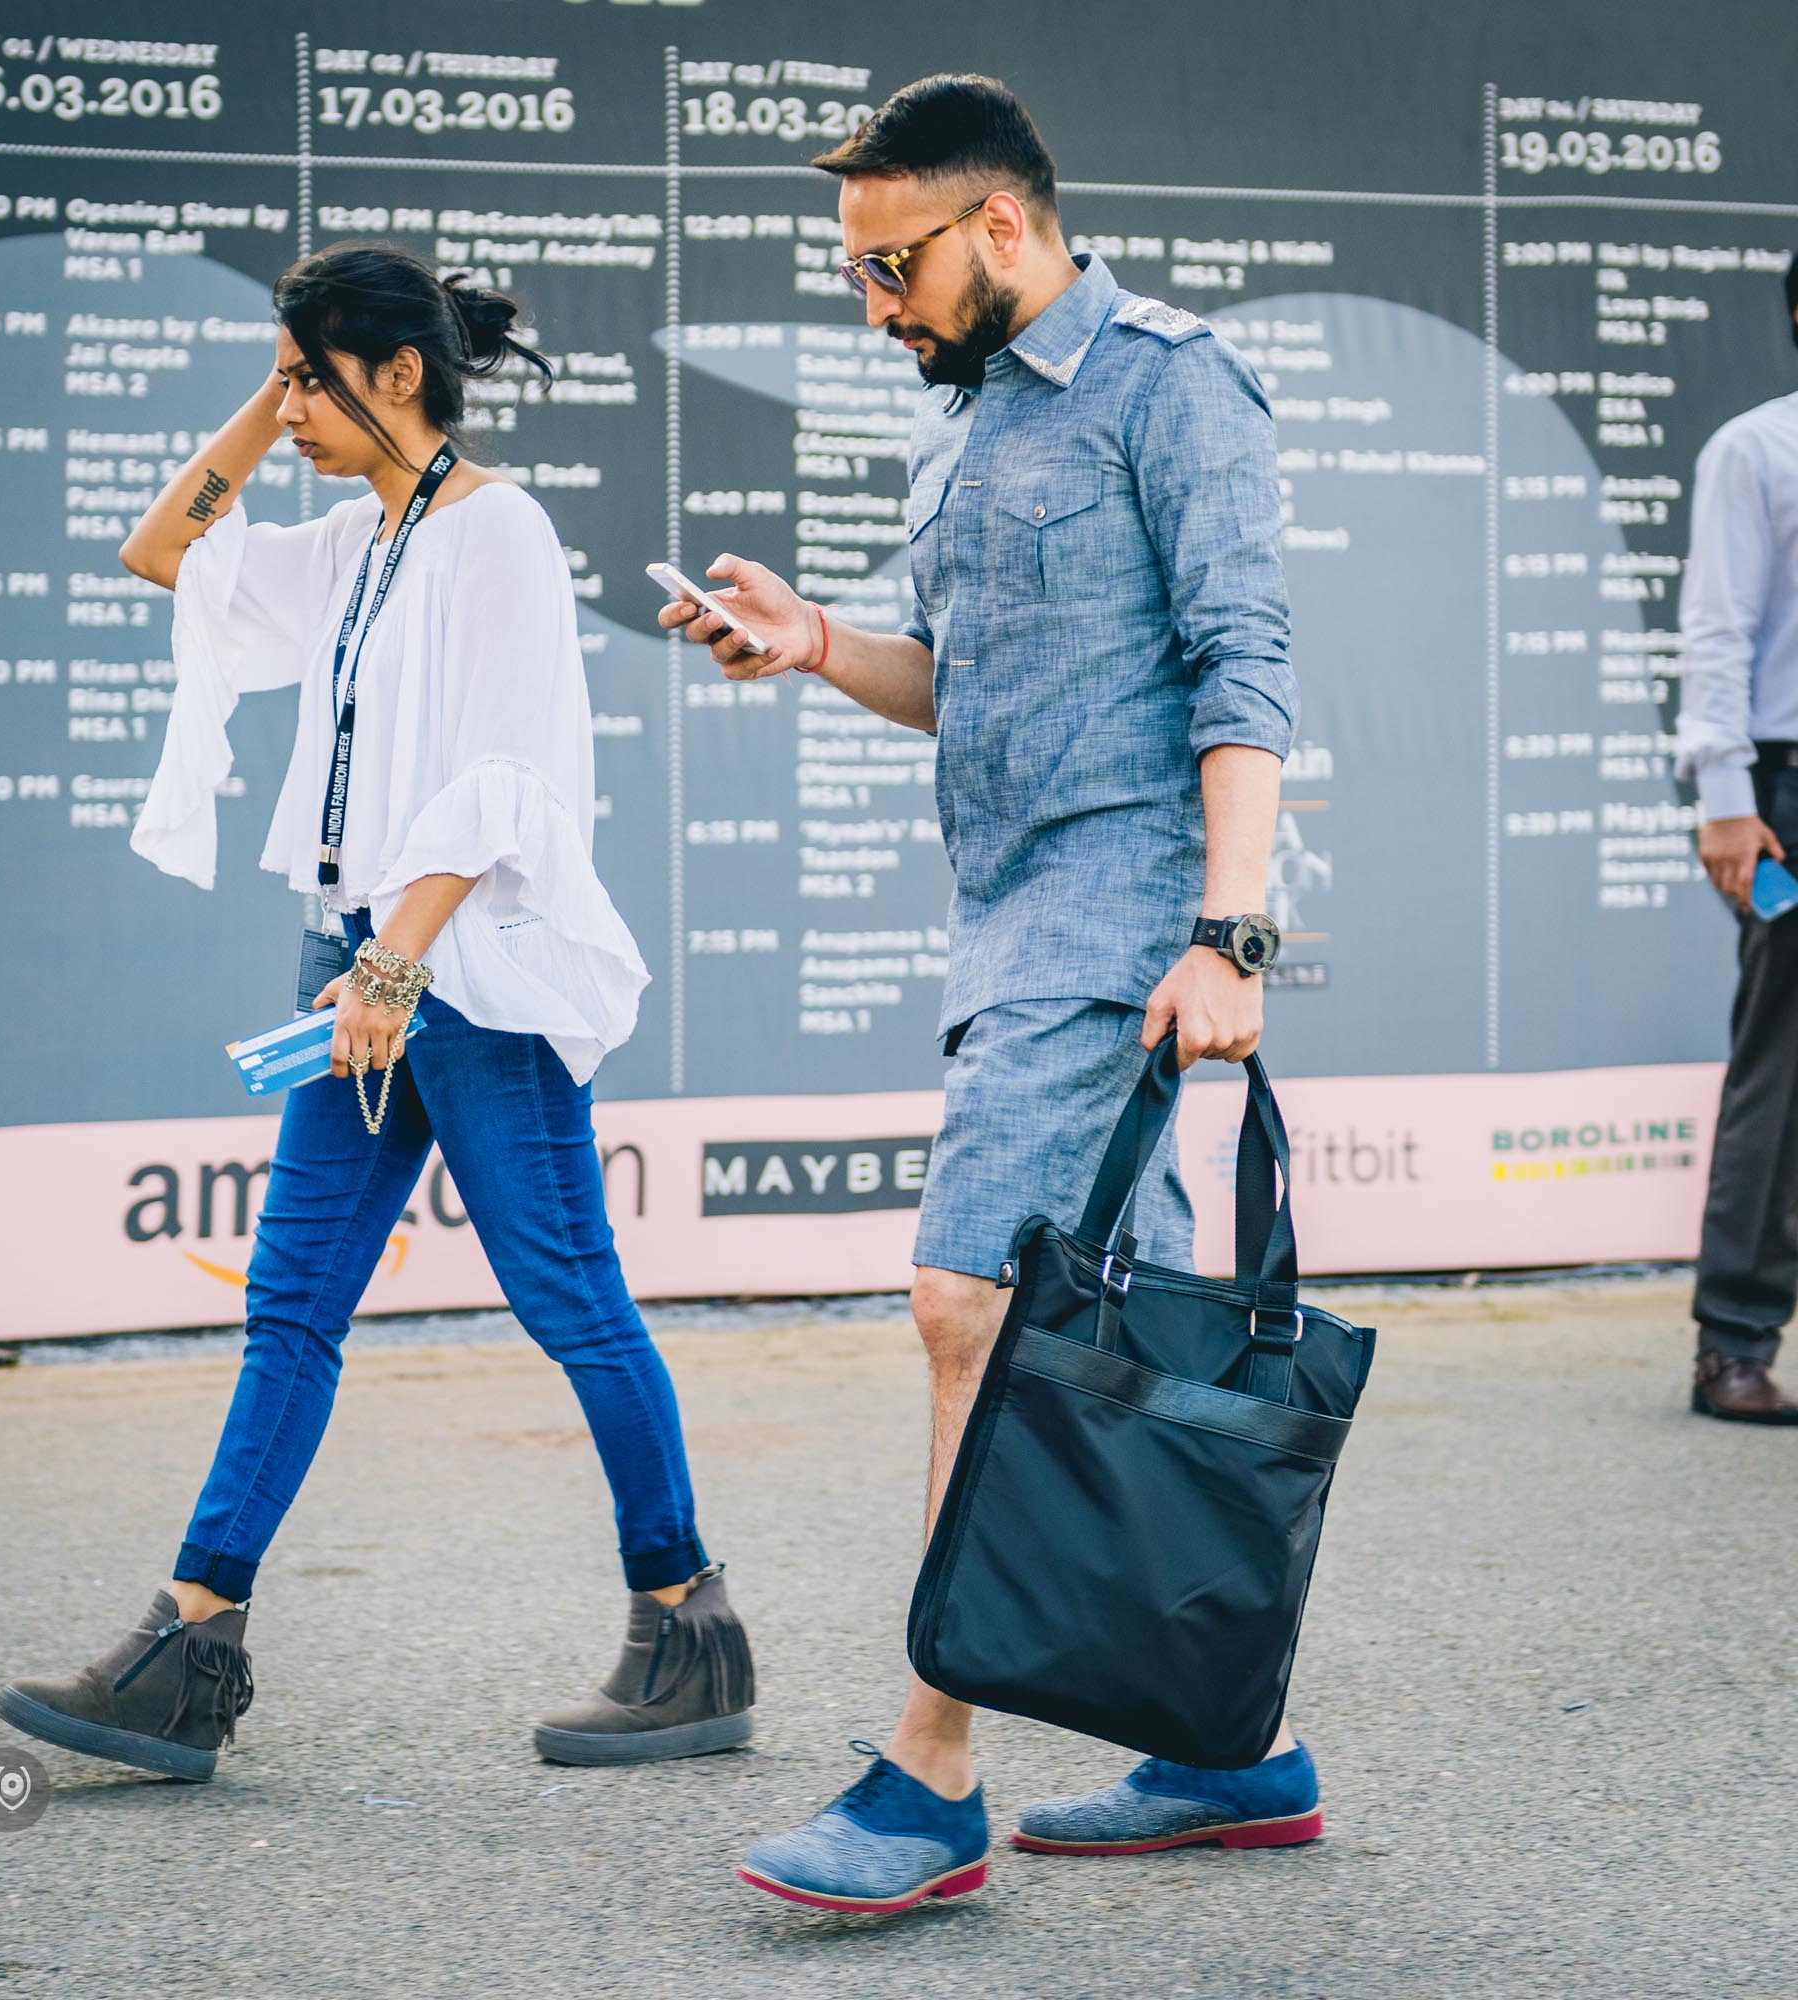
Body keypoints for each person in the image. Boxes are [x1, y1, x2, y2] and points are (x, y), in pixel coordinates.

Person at [659, 75, 1311, 1913]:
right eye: (858, 272)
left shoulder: (1175, 385)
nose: (873, 303)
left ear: (1001, 227)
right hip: (1011, 927)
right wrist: (812, 646)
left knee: (979, 1310)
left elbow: (1244, 668)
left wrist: (1232, 936)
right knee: (1116, 1354)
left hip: (1123, 925)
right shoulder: (962, 425)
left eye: (889, 266)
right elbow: (969, 679)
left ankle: (926, 1781)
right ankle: (1227, 1748)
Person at [0, 242, 753, 1782]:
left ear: (398, 373)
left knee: (565, 1296)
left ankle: (687, 1627)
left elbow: (508, 777)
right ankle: (189, 1647)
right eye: (280, 380)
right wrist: (271, 395)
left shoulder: (502, 535)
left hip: (460, 976)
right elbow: (162, 555)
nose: (289, 412)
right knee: (292, 1308)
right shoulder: (353, 538)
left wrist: (398, 968)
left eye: (311, 378)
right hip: (352, 967)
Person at [1675, 252, 1798, 1426]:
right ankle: (1733, 1339)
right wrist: (1723, 792)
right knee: (1784, 1058)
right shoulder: (1756, 449)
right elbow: (1715, 628)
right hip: (1784, 791)